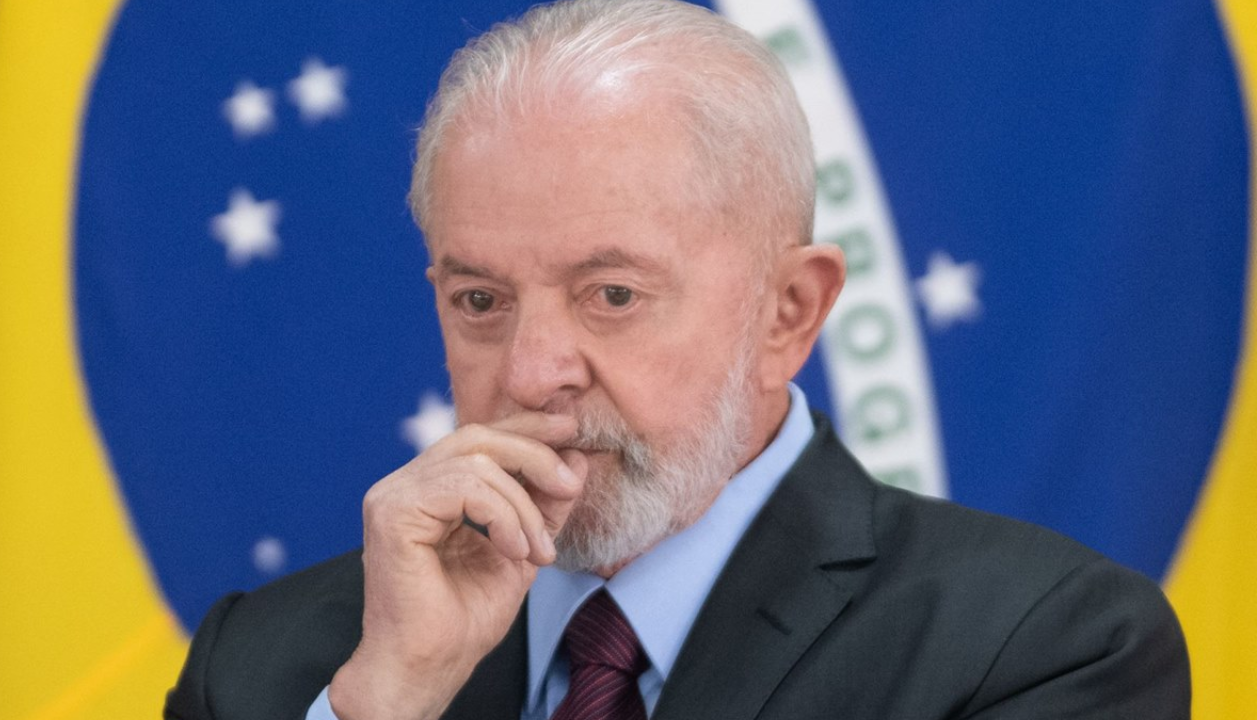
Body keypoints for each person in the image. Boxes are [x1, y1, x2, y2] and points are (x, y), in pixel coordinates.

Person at [165, 1, 1190, 718]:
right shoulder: (272, 670)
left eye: (612, 295)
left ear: (788, 312)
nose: (530, 374)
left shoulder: (1038, 648)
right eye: (480, 302)